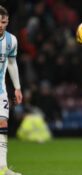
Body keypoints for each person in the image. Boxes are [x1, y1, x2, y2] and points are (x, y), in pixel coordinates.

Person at [0, 6, 23, 175]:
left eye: (3, 22)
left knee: (3, 123)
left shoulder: (11, 41)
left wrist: (17, 87)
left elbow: (12, 63)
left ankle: (2, 168)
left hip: (0, 90)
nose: (1, 25)